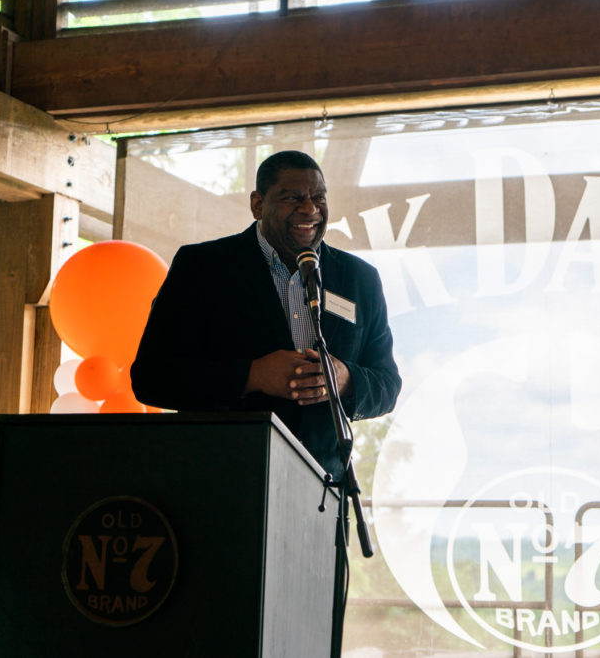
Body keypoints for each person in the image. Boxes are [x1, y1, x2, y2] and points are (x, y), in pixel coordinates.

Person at [132, 150, 401, 478]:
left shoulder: (359, 278)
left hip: (324, 490)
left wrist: (345, 379)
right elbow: (150, 377)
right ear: (257, 204)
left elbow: (387, 385)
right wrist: (251, 375)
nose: (310, 208)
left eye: (319, 197)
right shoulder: (202, 268)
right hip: (225, 482)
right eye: (292, 197)